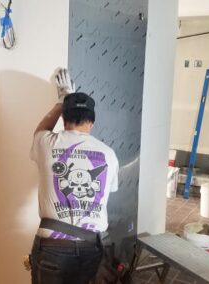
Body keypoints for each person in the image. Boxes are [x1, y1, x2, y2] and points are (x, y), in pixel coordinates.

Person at [29, 68, 120, 284]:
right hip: (92, 247)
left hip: (53, 246)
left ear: (63, 118)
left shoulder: (47, 143)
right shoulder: (109, 154)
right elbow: (108, 190)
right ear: (93, 122)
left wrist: (62, 101)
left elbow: (40, 130)